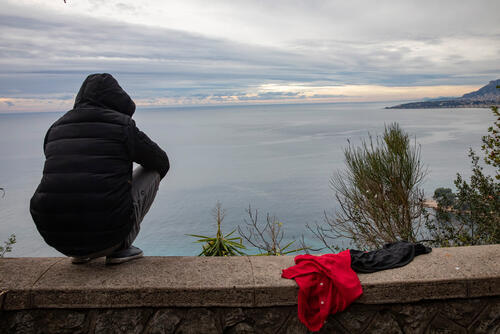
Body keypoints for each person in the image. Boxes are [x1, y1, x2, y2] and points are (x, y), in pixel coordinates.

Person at [30, 73, 169, 264]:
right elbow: (161, 162)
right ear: (117, 98)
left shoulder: (56, 127)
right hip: (108, 237)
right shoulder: (122, 126)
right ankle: (121, 247)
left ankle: (81, 253)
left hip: (56, 238)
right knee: (153, 172)